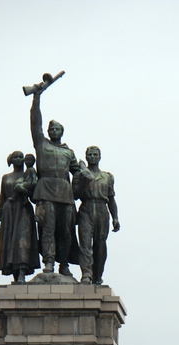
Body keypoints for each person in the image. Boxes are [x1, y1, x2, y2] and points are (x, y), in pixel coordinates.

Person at [30, 89, 86, 275]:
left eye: (57, 129)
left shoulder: (68, 152)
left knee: (66, 232)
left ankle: (64, 264)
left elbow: (77, 172)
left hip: (65, 194)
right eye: (51, 129)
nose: (54, 131)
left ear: (62, 132)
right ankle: (49, 262)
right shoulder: (41, 144)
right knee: (48, 230)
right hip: (45, 191)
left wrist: (84, 174)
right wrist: (36, 98)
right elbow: (35, 123)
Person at [73, 146, 120, 285]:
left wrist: (115, 217)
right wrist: (84, 180)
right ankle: (86, 274)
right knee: (85, 244)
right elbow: (75, 195)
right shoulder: (80, 174)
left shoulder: (107, 177)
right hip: (86, 208)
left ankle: (97, 275)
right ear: (86, 157)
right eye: (90, 154)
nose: (92, 157)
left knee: (100, 245)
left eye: (95, 154)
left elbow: (111, 198)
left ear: (99, 157)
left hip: (102, 210)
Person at [0, 151, 40, 283]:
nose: (19, 159)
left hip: (23, 209)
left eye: (20, 157)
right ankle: (14, 272)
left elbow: (33, 192)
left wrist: (21, 189)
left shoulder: (28, 174)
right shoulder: (6, 178)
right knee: (9, 241)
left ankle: (22, 274)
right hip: (9, 211)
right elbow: (2, 197)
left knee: (22, 240)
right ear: (11, 160)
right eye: (16, 157)